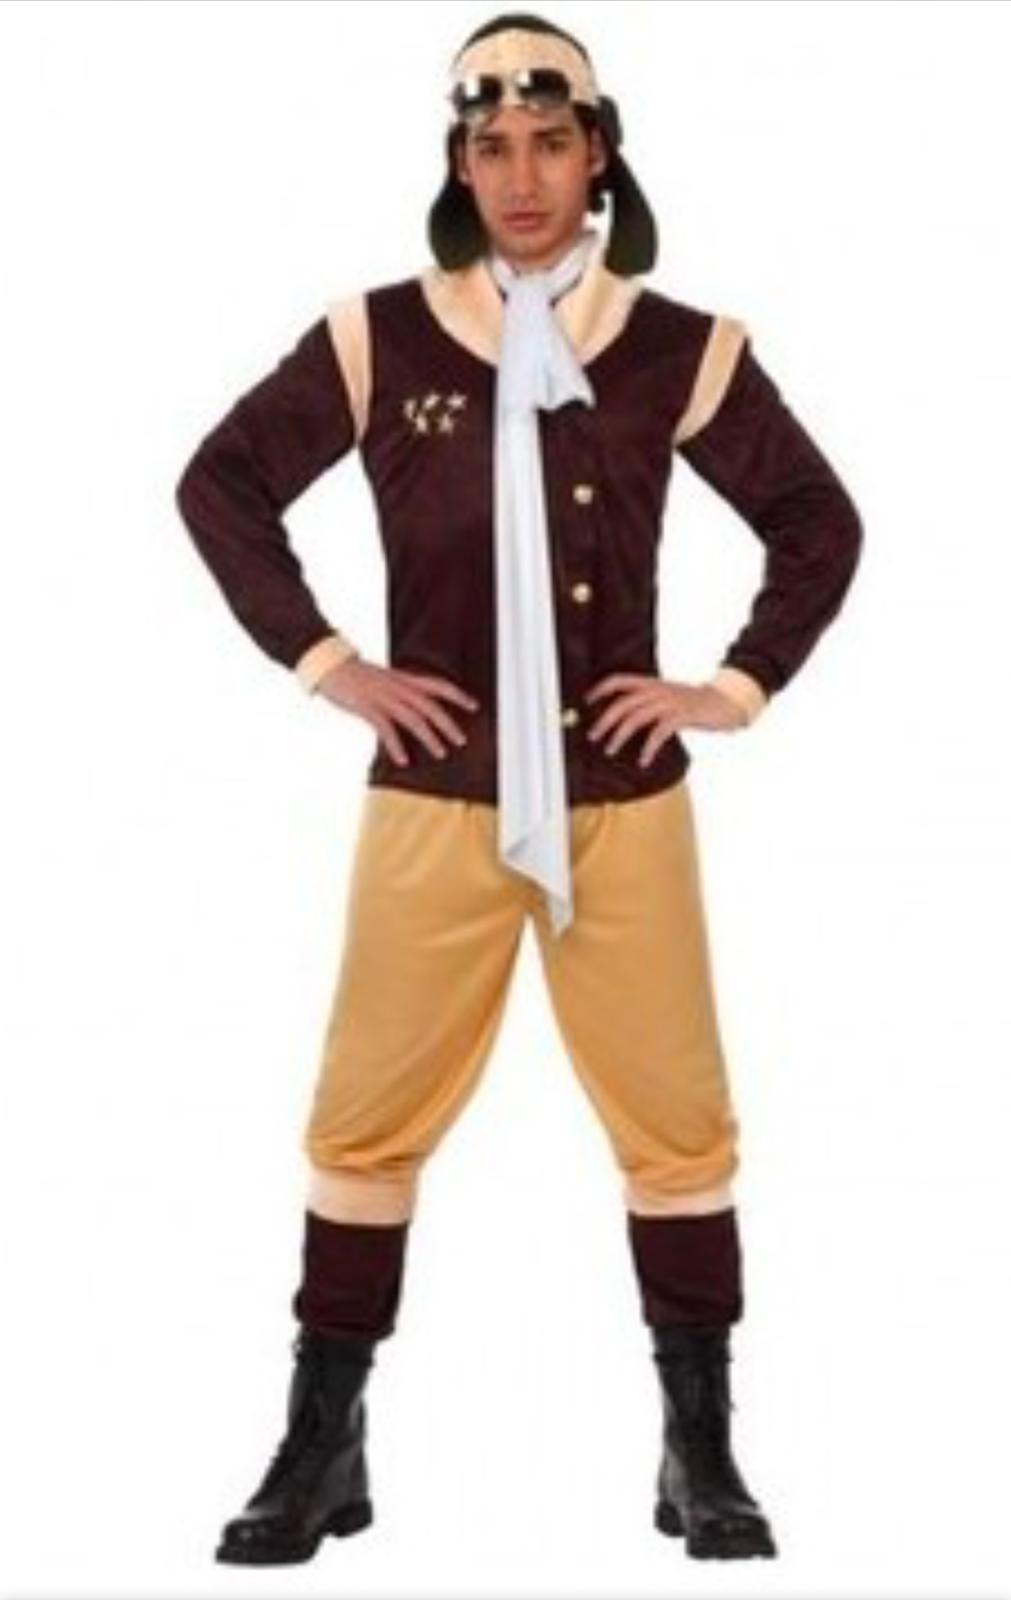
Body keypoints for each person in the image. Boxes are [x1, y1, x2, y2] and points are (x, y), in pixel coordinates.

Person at [174, 9, 862, 1567]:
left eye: (553, 144)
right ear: (460, 163)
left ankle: (700, 1447)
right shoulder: (379, 339)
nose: (525, 177)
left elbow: (821, 524)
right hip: (432, 798)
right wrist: (331, 662)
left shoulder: (680, 349)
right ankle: (322, 1438)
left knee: (677, 1121)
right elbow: (220, 484)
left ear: (599, 155)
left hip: (627, 800)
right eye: (493, 147)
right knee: (364, 1119)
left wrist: (729, 687)